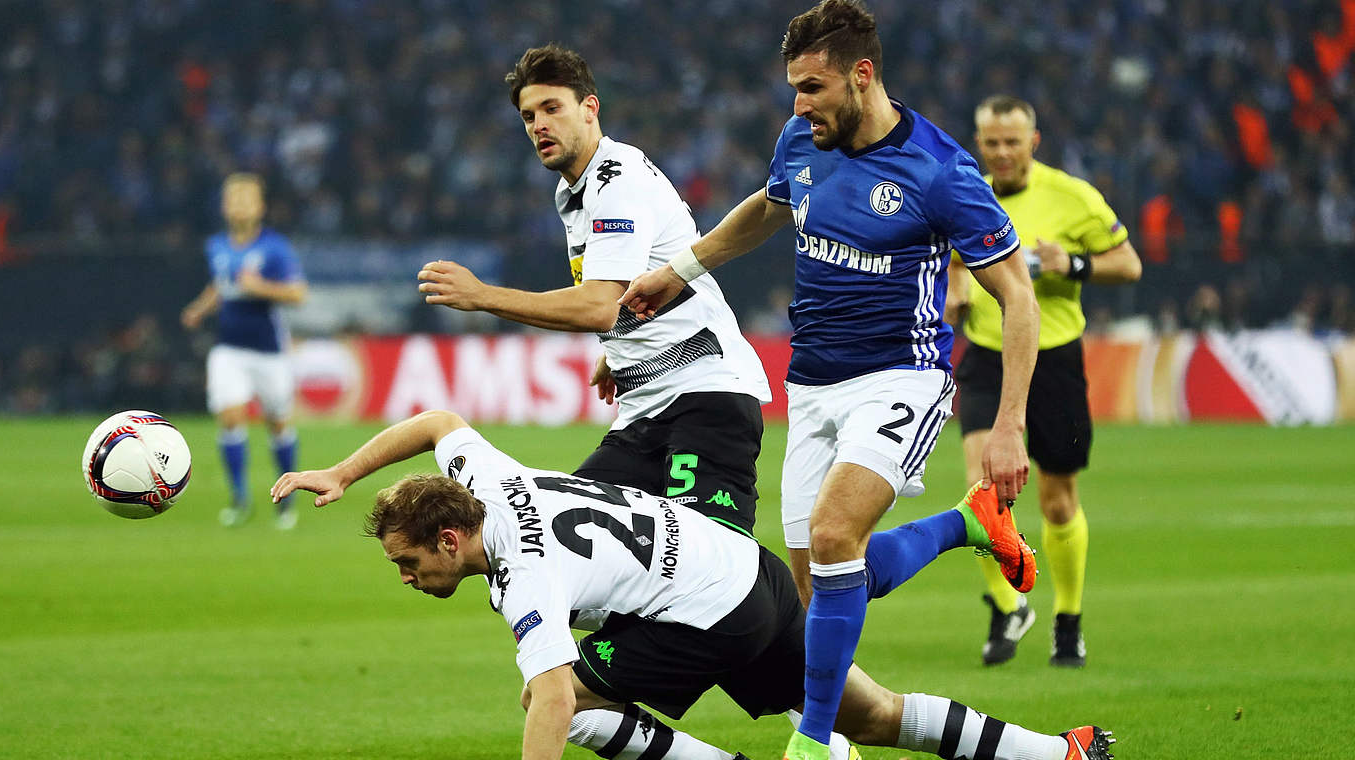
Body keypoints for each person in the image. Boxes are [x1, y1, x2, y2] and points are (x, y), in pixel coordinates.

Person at [619, 3, 1041, 757]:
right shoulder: (800, 140)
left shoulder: (939, 169)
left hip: (901, 378)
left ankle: (814, 742)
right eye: (793, 88)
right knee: (821, 590)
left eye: (812, 87)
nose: (798, 104)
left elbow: (1017, 294)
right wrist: (677, 272)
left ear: (862, 75)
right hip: (811, 384)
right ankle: (965, 525)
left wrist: (1009, 424)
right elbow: (769, 208)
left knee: (834, 534)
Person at [269, 409, 1116, 760]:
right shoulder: (483, 478)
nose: (409, 578)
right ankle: (1060, 754)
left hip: (708, 611)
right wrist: (344, 471)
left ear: (450, 539)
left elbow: (555, 698)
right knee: (867, 714)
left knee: (558, 704)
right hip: (741, 570)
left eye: (411, 562)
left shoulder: (526, 570)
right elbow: (438, 423)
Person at [415, 45, 770, 539]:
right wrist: (620, 348)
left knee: (707, 568)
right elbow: (628, 290)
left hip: (704, 397)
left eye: (552, 108)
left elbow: (599, 305)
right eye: (528, 116)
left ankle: (795, 613)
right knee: (568, 547)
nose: (539, 125)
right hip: (647, 409)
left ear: (590, 108)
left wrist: (483, 296)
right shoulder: (576, 191)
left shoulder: (615, 179)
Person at [946, 95, 1142, 668]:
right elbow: (958, 263)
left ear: (1033, 141)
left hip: (1054, 358)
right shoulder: (967, 192)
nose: (1002, 152)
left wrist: (1073, 265)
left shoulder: (1072, 197)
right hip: (987, 353)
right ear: (979, 144)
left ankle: (1068, 619)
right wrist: (955, 292)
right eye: (991, 143)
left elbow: (1128, 264)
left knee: (1058, 503)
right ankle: (1008, 606)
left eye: (1013, 142)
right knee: (981, 491)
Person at [181, 172, 307, 529]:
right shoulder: (217, 246)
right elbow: (221, 286)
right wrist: (199, 309)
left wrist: (260, 287)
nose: (239, 205)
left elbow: (298, 293)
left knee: (278, 425)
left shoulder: (275, 248)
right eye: (233, 199)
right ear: (224, 206)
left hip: (270, 351)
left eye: (246, 199)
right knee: (230, 417)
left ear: (260, 207)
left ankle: (286, 502)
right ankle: (239, 498)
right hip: (229, 349)